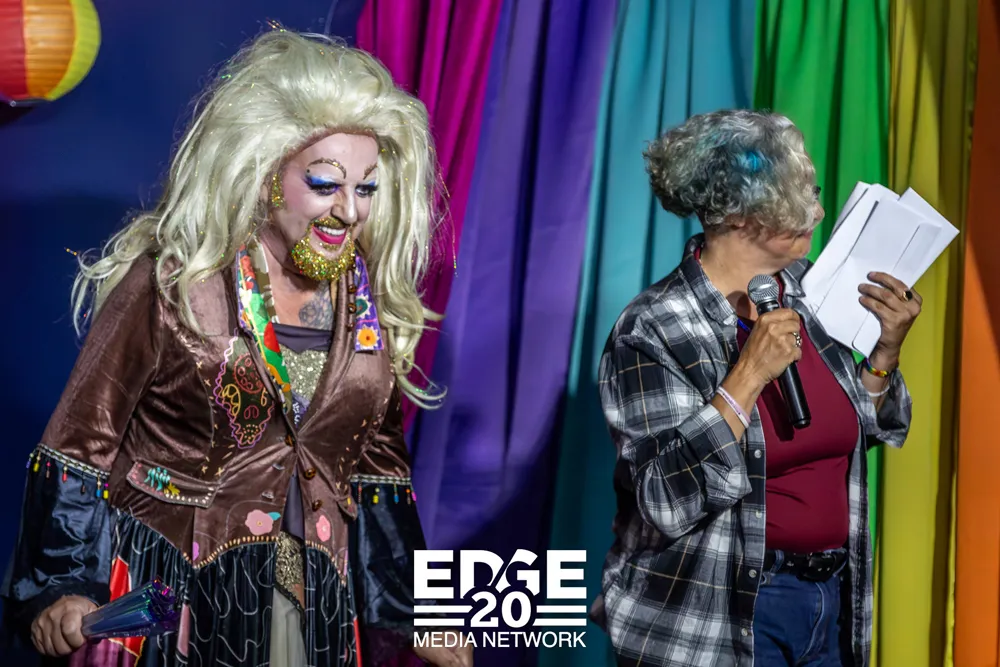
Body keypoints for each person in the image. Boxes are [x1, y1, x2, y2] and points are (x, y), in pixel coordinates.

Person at [2, 29, 472, 667]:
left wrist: (418, 611)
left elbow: (377, 472)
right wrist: (61, 586)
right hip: (170, 598)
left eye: (365, 188)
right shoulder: (173, 284)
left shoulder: (366, 302)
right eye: (325, 183)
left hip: (310, 607)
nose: (350, 210)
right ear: (264, 171)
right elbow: (80, 445)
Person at [592, 109, 919, 666]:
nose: (817, 211)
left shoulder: (810, 292)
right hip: (721, 616)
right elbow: (666, 499)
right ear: (741, 212)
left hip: (829, 603)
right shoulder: (655, 327)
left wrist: (884, 354)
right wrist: (745, 376)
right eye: (798, 195)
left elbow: (855, 432)